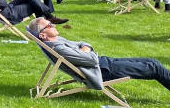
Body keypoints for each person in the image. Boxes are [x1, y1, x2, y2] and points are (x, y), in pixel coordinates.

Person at [28, 17, 170, 93]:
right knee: (154, 68)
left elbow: (84, 43)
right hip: (103, 71)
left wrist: (84, 48)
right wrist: (84, 49)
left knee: (152, 61)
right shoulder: (58, 48)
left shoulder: (57, 40)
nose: (53, 25)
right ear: (42, 35)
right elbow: (91, 59)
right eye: (49, 25)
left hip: (105, 62)